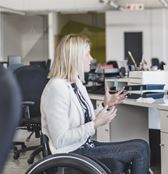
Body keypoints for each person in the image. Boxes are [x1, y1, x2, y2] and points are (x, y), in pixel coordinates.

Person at [41, 34, 150, 174]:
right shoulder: (56, 88)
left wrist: (106, 105)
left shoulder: (75, 82)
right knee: (139, 149)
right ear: (75, 58)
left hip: (85, 146)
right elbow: (60, 140)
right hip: (70, 154)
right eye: (87, 54)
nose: (91, 59)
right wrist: (95, 125)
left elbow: (85, 119)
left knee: (142, 146)